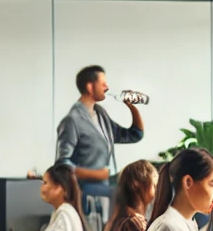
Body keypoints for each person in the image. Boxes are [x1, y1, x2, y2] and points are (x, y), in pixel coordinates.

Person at [52, 65, 145, 210]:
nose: (107, 87)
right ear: (90, 87)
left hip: (105, 195)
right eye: (103, 84)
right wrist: (98, 174)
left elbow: (135, 135)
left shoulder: (101, 115)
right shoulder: (72, 120)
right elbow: (61, 166)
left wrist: (132, 106)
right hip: (82, 197)